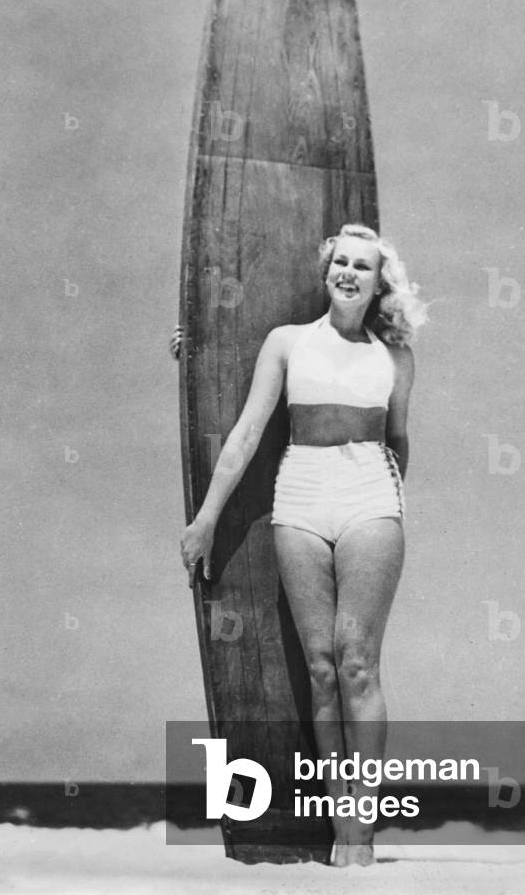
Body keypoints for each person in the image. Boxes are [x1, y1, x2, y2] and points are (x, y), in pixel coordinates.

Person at [178, 223, 427, 866]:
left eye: (362, 267)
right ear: (327, 273)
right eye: (339, 262)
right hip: (299, 503)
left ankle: (361, 836)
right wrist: (206, 519)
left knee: (357, 663)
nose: (348, 273)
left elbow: (399, 439)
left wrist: (384, 490)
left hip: (371, 499)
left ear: (379, 284)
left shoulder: (394, 359)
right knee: (320, 668)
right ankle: (339, 819)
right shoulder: (286, 343)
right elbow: (245, 431)